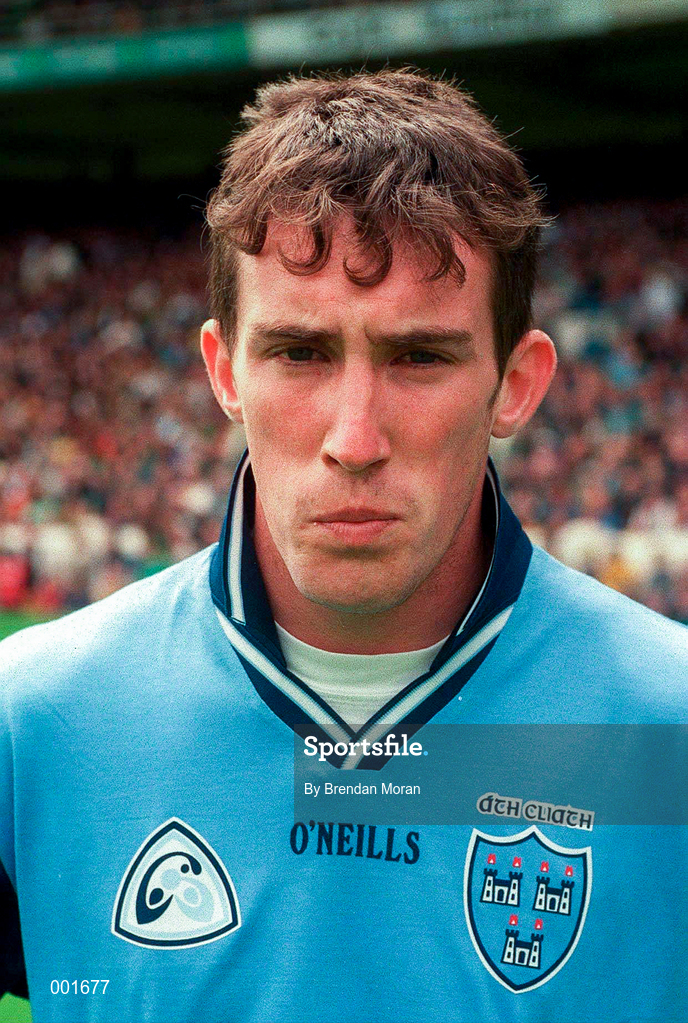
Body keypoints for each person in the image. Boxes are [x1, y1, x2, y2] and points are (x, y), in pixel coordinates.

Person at [1, 68, 685, 1023]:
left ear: (517, 385)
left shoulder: (670, 731)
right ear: (223, 370)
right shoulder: (33, 725)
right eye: (300, 353)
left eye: (420, 357)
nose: (353, 438)